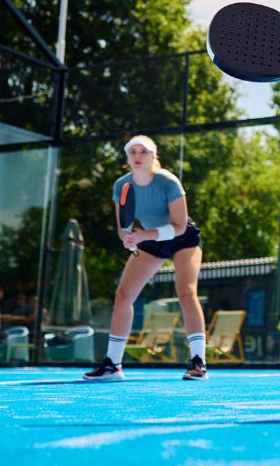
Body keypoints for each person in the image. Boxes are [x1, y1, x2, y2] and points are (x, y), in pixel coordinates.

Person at [82, 135, 208, 381]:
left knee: (186, 292)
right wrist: (127, 238)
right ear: (128, 158)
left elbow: (180, 226)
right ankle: (113, 365)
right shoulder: (121, 186)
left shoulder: (168, 182)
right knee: (123, 295)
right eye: (133, 152)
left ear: (153, 156)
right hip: (149, 239)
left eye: (144, 152)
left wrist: (143, 235)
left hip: (183, 238)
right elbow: (123, 227)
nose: (138, 156)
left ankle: (198, 363)